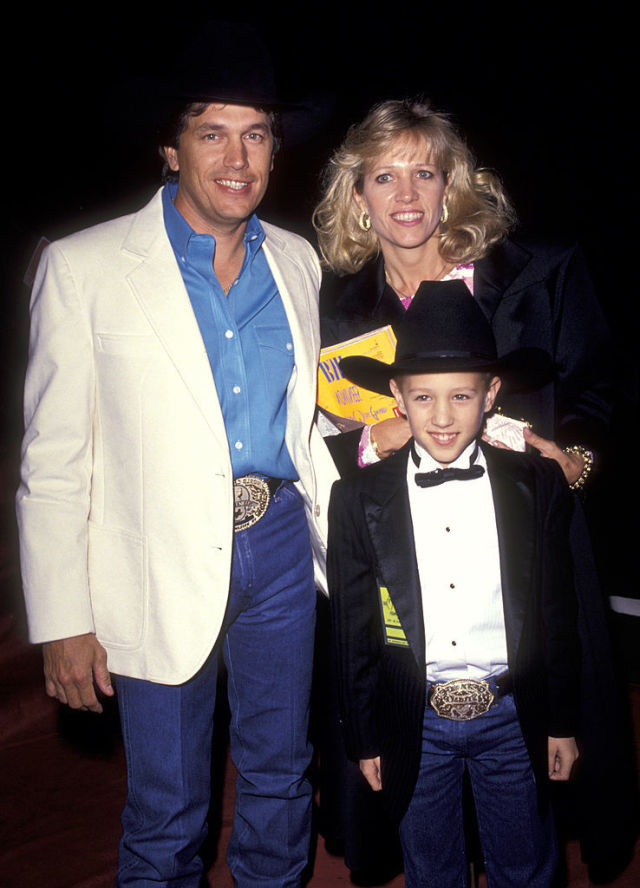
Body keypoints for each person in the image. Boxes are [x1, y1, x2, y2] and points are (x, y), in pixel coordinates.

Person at [15, 21, 337, 888]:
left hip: (279, 546)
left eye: (256, 135)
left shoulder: (298, 262)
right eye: (212, 133)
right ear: (171, 148)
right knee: (168, 812)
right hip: (151, 562)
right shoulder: (84, 268)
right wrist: (63, 619)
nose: (238, 158)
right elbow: (54, 461)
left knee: (282, 777)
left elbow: (307, 424)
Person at [328, 280, 582, 887]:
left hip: (511, 714)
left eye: (461, 396)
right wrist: (364, 738)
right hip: (414, 721)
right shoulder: (358, 497)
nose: (442, 418)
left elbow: (556, 613)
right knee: (430, 869)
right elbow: (353, 632)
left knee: (525, 867)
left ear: (491, 395)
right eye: (423, 397)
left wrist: (562, 721)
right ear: (397, 397)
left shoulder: (535, 485)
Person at [314, 98, 614, 484]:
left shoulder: (540, 277)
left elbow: (603, 387)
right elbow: (311, 448)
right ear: (359, 196)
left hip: (533, 510)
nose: (406, 194)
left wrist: (578, 460)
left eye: (423, 174)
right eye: (385, 177)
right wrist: (374, 440)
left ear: (448, 186)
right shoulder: (334, 317)